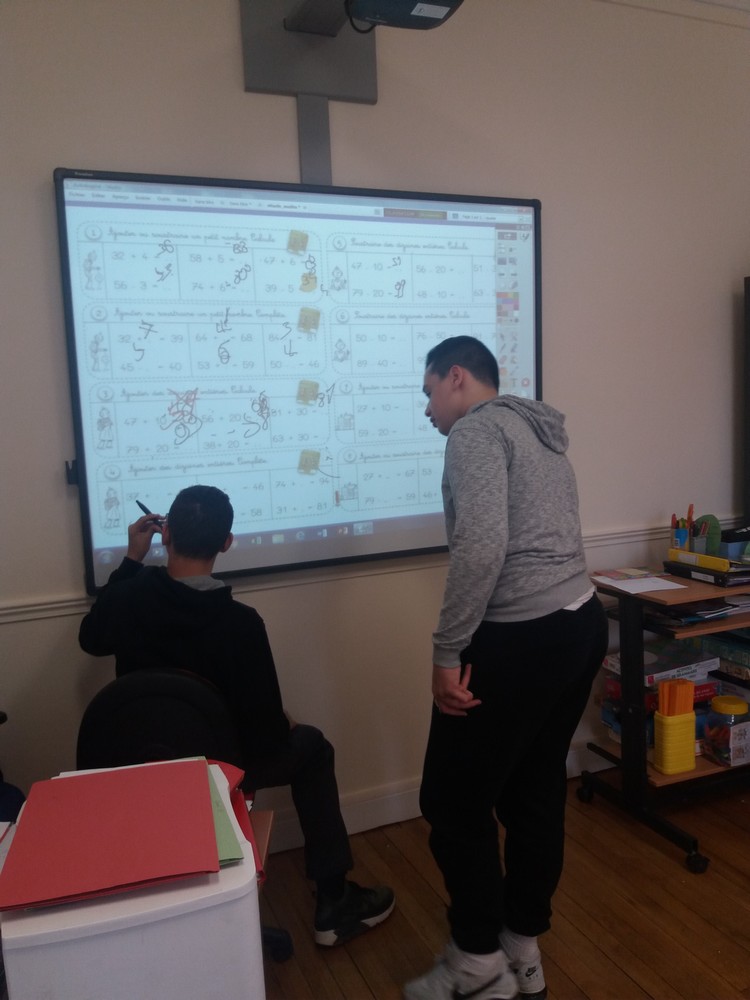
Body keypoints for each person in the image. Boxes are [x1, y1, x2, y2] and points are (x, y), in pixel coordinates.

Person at [79, 484, 395, 947]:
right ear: (226, 543)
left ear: (165, 535)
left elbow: (91, 638)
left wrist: (130, 559)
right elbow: (266, 737)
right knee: (312, 747)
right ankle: (334, 901)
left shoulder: (129, 598)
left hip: (140, 770)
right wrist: (285, 723)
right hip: (219, 774)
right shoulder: (240, 624)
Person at [404, 337, 608, 1000]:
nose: (427, 409)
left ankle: (477, 962)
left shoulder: (475, 432)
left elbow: (482, 546)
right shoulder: (537, 429)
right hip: (579, 624)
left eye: (429, 391)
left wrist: (447, 653)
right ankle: (522, 949)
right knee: (535, 789)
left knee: (450, 802)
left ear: (457, 378)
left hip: (522, 638)